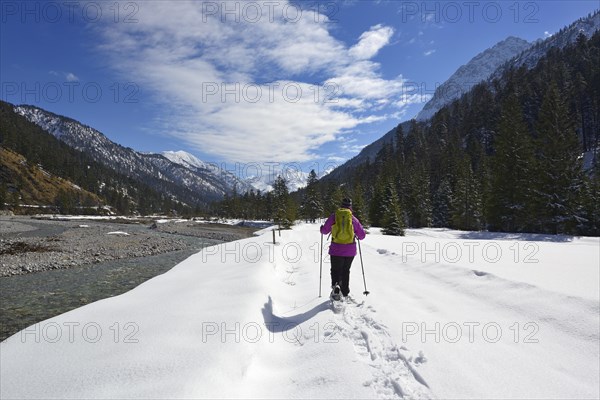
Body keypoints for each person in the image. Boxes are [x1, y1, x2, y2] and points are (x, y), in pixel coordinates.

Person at [320, 198, 366, 300]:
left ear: (341, 205)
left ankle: (336, 287)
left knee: (335, 269)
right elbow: (362, 236)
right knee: (346, 270)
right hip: (350, 251)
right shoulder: (353, 219)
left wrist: (321, 228)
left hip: (336, 249)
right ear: (350, 206)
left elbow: (324, 231)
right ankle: (344, 291)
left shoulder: (334, 217)